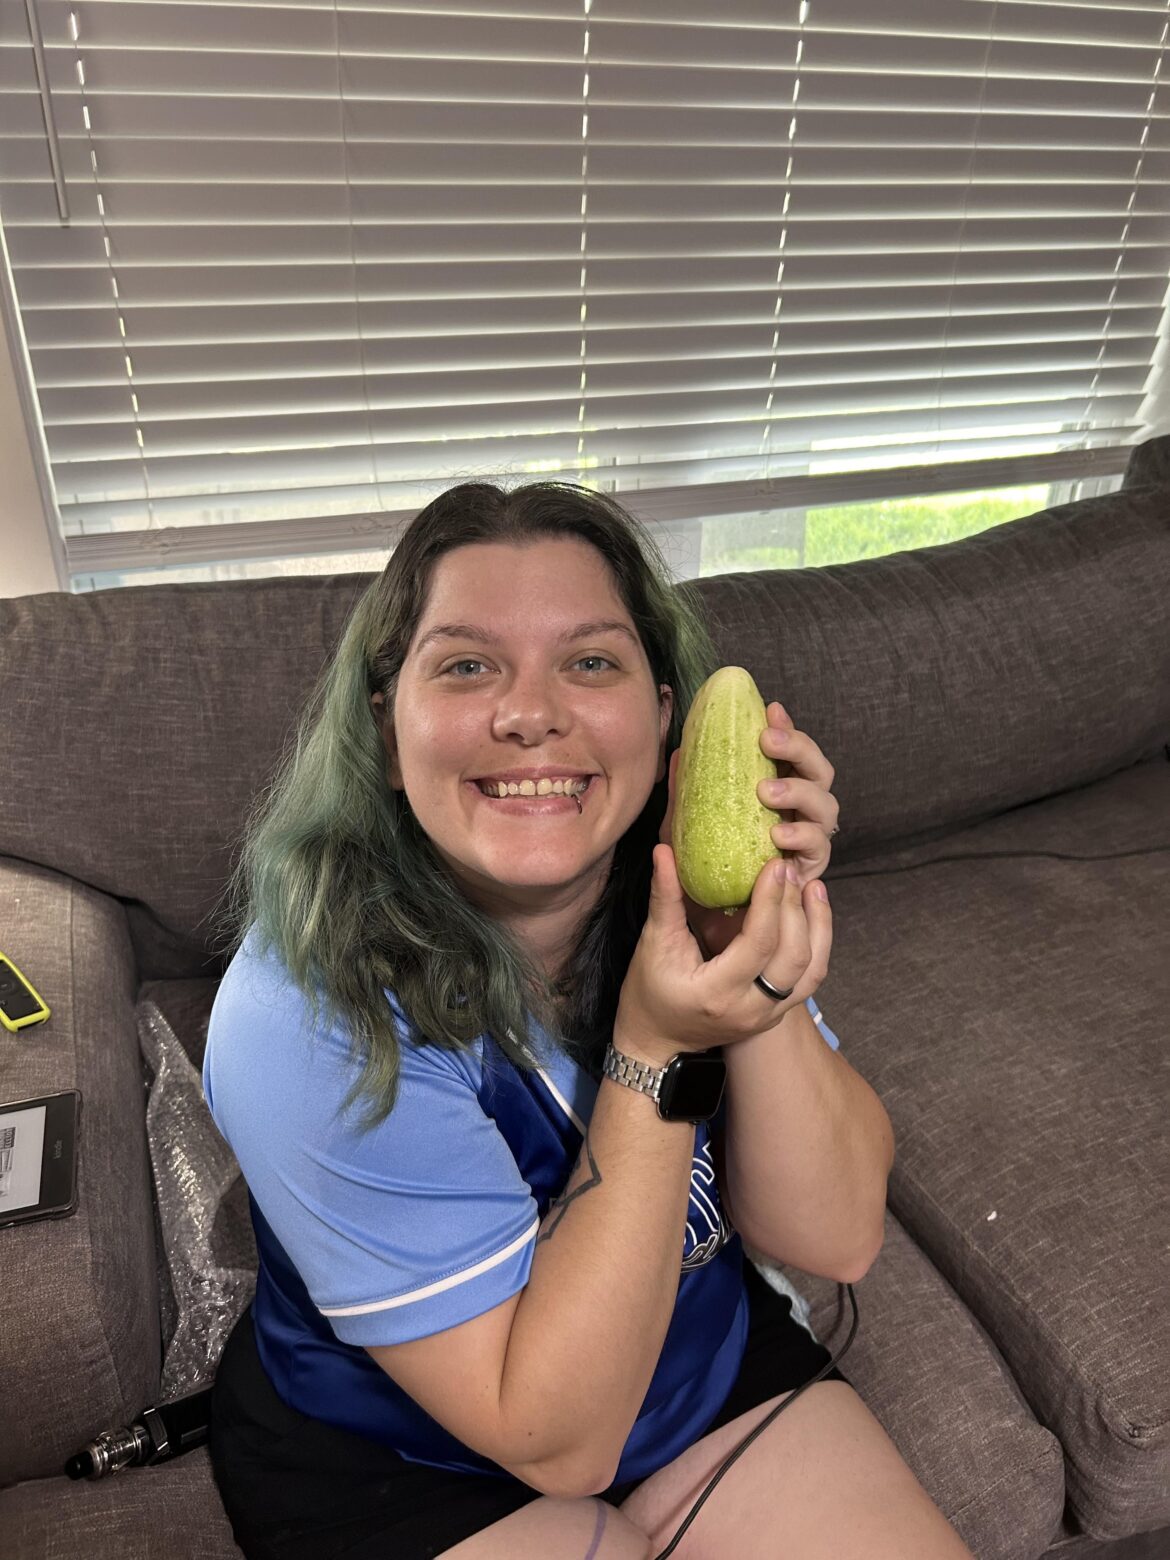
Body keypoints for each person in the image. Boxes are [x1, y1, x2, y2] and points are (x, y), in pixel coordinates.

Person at [202, 481, 975, 1559]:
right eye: (467, 663)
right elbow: (559, 1443)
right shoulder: (300, 1012)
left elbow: (835, 1237)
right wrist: (653, 1050)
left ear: (665, 716)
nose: (531, 712)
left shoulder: (664, 889)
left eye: (591, 661)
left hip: (683, 1356)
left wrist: (751, 963)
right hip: (406, 1455)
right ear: (385, 726)